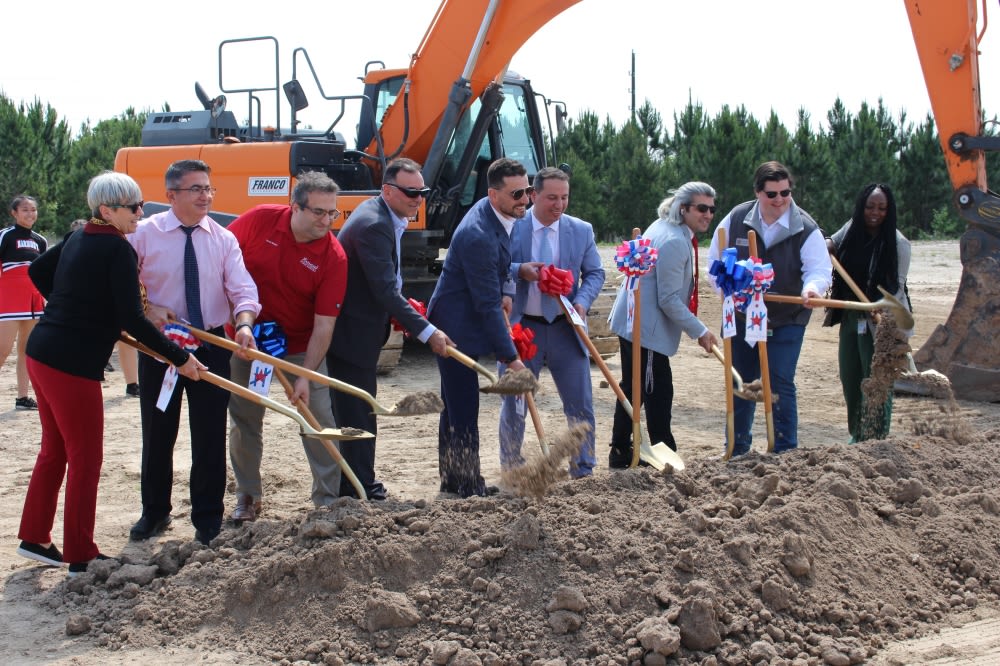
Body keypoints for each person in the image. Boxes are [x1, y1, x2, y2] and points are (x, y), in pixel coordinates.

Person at [17, 172, 202, 576]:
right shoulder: (117, 249)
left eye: (140, 205)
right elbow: (133, 319)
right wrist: (179, 358)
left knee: (55, 450)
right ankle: (80, 552)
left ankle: (34, 537)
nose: (140, 213)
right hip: (70, 363)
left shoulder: (80, 235)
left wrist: (72, 306)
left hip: (43, 351)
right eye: (132, 207)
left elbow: (39, 273)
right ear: (107, 211)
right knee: (85, 457)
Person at [129, 159, 260, 546]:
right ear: (171, 195)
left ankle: (207, 519)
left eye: (208, 189)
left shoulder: (223, 239)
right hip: (160, 348)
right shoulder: (143, 235)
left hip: (211, 347)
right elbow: (124, 286)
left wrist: (246, 323)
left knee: (208, 435)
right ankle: (154, 512)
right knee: (158, 434)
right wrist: (148, 310)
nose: (205, 196)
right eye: (196, 189)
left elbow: (242, 289)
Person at [326, 158, 453, 500]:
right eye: (410, 191)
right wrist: (428, 332)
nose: (418, 198)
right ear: (387, 190)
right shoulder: (374, 225)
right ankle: (358, 487)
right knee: (357, 412)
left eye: (422, 191)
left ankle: (353, 482)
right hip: (351, 335)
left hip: (361, 330)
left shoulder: (384, 216)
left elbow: (387, 287)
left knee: (358, 409)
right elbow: (385, 292)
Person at [227, 171, 347, 519]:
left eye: (332, 214)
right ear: (295, 207)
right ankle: (248, 496)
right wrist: (237, 323)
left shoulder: (334, 257)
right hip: (248, 341)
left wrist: (305, 376)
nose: (327, 221)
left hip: (298, 345)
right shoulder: (259, 221)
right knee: (246, 416)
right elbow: (222, 262)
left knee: (318, 418)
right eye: (319, 212)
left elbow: (324, 326)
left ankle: (327, 500)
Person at [709, 161, 832, 455]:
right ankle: (737, 448)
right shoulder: (736, 219)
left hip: (786, 318)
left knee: (779, 379)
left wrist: (812, 289)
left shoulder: (806, 226)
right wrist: (728, 293)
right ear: (758, 193)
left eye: (785, 193)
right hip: (741, 317)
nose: (779, 200)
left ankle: (785, 450)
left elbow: (819, 269)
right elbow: (715, 265)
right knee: (740, 380)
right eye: (772, 194)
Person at [427, 158, 530, 497]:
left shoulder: (498, 215)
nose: (525, 199)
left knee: (456, 407)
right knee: (463, 407)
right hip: (455, 327)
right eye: (517, 193)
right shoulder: (479, 235)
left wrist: (504, 290)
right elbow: (485, 307)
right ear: (493, 193)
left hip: (466, 315)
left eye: (527, 190)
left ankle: (454, 480)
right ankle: (467, 486)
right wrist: (511, 358)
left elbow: (498, 274)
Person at [498, 167, 604, 477]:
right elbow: (496, 265)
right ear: (533, 195)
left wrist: (582, 302)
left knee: (580, 403)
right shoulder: (511, 229)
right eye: (551, 198)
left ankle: (583, 468)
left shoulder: (581, 230)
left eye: (565, 198)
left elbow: (595, 273)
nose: (559, 205)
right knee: (514, 404)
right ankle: (512, 469)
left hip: (564, 328)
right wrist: (521, 271)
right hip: (521, 329)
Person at [608, 183, 721, 465]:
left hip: (636, 321)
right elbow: (669, 299)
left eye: (711, 208)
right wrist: (700, 330)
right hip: (645, 329)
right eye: (701, 208)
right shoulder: (673, 240)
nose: (708, 214)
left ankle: (621, 450)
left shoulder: (664, 226)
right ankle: (661, 449)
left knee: (635, 388)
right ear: (683, 208)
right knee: (656, 392)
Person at [825, 183, 911, 442]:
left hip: (882, 322)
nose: (875, 212)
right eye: (870, 206)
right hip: (852, 316)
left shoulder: (899, 244)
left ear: (889, 210)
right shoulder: (853, 228)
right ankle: (857, 433)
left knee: (876, 381)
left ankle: (874, 437)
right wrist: (826, 242)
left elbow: (896, 286)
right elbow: (832, 242)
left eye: (881, 208)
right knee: (851, 378)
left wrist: (877, 308)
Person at [72, 218, 141, 397]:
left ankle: (132, 383)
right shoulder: (75, 247)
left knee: (127, 343)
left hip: (113, 308)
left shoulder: (113, 245)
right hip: (90, 312)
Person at [1, 195, 47, 410]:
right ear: (14, 213)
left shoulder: (40, 240)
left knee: (27, 350)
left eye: (33, 210)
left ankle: (22, 397)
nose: (30, 214)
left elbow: (45, 273)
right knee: (2, 349)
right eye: (25, 210)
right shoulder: (5, 236)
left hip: (34, 300)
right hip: (9, 299)